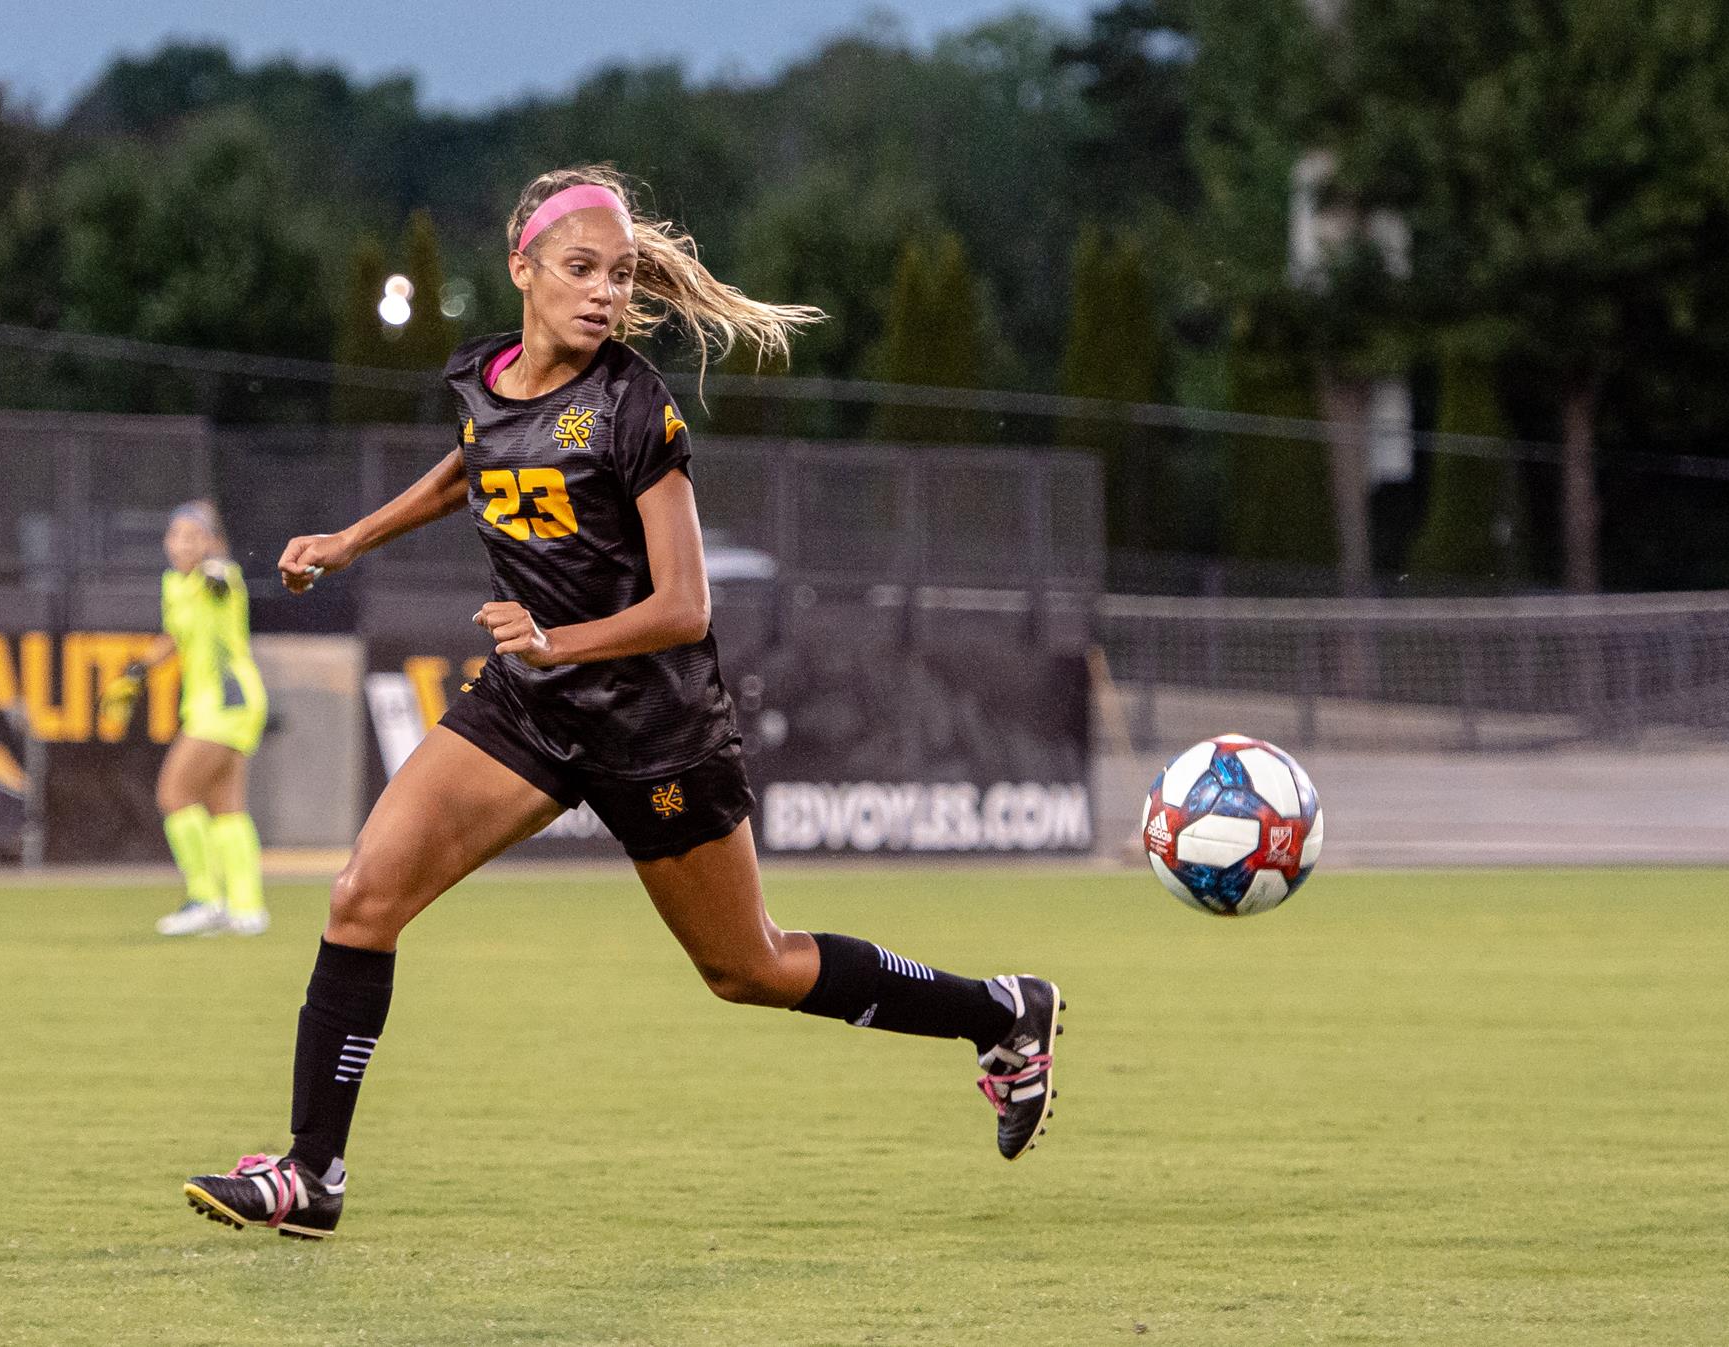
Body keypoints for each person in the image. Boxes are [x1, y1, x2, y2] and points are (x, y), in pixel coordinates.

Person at [181, 166, 1061, 1240]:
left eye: (621, 275)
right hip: (528, 709)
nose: (604, 292)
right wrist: (350, 539)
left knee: (747, 967)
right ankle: (310, 1174)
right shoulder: (483, 379)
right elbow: (475, 461)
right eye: (582, 269)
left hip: (655, 731)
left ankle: (999, 1012)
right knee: (363, 897)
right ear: (523, 270)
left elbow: (686, 607)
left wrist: (556, 638)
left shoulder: (633, 404)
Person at [101, 500, 271, 937]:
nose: (182, 544)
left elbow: (219, 580)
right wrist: (137, 672)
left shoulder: (220, 575)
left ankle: (205, 899)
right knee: (226, 806)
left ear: (211, 542)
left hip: (227, 702)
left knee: (174, 794)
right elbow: (175, 636)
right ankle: (247, 908)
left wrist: (214, 564)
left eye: (193, 537)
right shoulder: (174, 584)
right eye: (176, 536)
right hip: (216, 705)